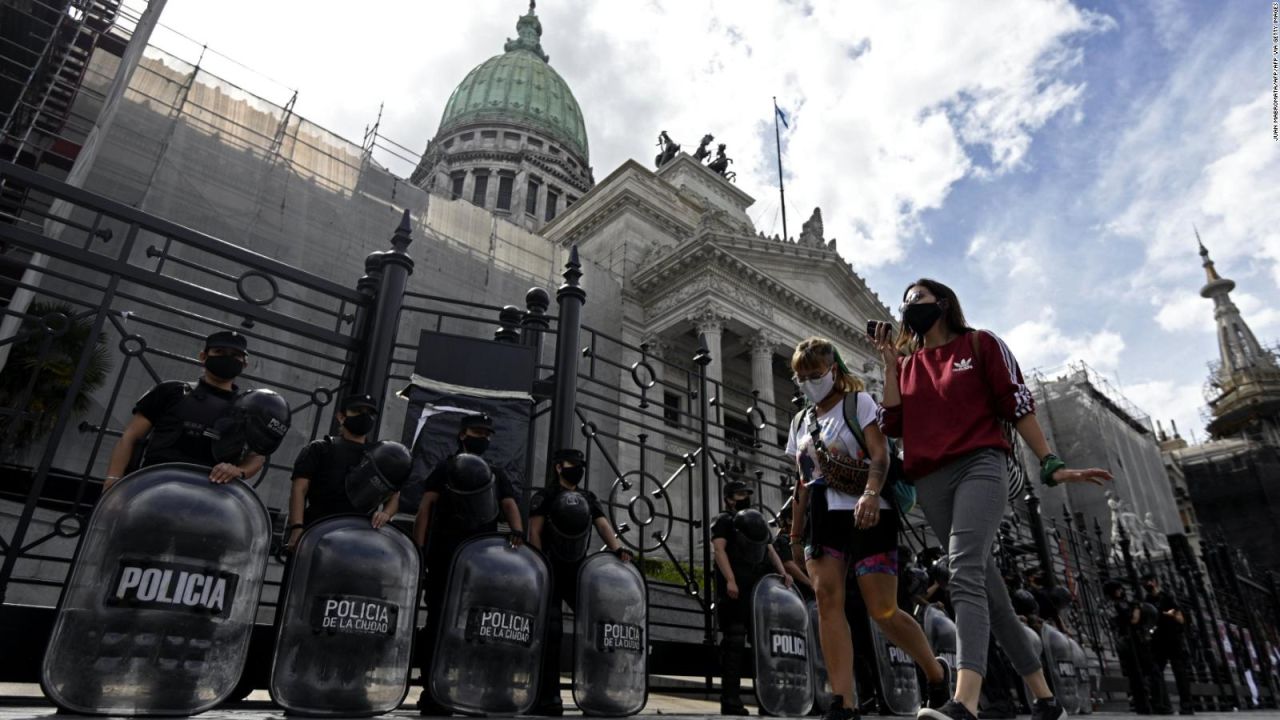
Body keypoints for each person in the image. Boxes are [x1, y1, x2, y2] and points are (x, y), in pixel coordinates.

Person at [872, 279, 1113, 720]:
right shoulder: (907, 365)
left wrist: (1050, 462)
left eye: (918, 298)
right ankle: (1044, 697)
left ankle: (964, 701)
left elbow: (1016, 402)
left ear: (943, 303)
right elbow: (892, 425)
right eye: (905, 300)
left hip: (980, 465)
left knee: (961, 573)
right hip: (930, 479)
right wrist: (890, 364)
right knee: (989, 592)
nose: (909, 306)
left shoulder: (979, 344)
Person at [787, 337, 949, 720]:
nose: (809, 382)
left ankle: (936, 672)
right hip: (824, 517)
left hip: (870, 511)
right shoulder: (800, 421)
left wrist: (872, 494)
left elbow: (881, 455)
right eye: (801, 377)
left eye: (815, 374)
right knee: (827, 602)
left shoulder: (858, 403)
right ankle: (845, 700)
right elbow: (801, 482)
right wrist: (795, 534)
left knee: (883, 609)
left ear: (834, 370)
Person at [411, 413, 525, 716]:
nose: (483, 437)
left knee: (476, 626)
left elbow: (510, 504)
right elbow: (426, 508)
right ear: (463, 434)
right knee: (437, 622)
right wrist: (419, 550)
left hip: (481, 564)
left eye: (487, 433)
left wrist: (517, 532)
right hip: (444, 557)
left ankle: (470, 689)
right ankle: (433, 690)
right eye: (477, 431)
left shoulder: (495, 472)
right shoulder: (446, 468)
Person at [528, 448, 633, 716]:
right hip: (551, 567)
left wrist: (618, 548)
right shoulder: (546, 496)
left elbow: (602, 524)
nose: (578, 468)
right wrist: (541, 565)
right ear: (558, 467)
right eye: (572, 463)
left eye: (580, 464)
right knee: (551, 631)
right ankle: (547, 697)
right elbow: (535, 532)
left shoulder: (587, 497)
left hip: (578, 570)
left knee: (598, 625)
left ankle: (597, 692)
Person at [104, 331, 263, 491]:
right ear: (203, 356)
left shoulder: (248, 410)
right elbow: (130, 437)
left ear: (244, 364)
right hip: (154, 486)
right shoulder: (169, 391)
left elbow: (257, 455)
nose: (227, 358)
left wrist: (239, 471)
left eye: (235, 355)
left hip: (212, 496)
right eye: (219, 352)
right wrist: (113, 480)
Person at [713, 479, 791, 716]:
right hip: (735, 590)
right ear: (728, 498)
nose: (744, 497)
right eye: (738, 494)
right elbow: (719, 549)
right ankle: (730, 700)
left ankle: (767, 700)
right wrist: (730, 579)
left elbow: (769, 548)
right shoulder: (724, 520)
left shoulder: (754, 520)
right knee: (734, 644)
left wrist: (782, 572)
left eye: (746, 493)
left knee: (762, 646)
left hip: (757, 590)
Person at [285, 393, 398, 551]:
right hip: (317, 530)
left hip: (358, 538)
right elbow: (299, 489)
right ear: (340, 416)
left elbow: (394, 494)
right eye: (357, 411)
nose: (364, 417)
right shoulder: (319, 449)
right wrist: (297, 528)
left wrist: (386, 513)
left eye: (370, 413)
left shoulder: (378, 456)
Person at [1105, 579, 1162, 714]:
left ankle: (1145, 704)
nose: (1121, 591)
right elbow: (1133, 620)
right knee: (1144, 673)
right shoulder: (1117, 605)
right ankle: (1149, 704)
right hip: (1132, 642)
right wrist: (1136, 608)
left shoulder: (1114, 604)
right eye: (1118, 589)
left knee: (1138, 674)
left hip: (1130, 642)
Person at [1143, 573, 1194, 715]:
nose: (1146, 585)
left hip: (1173, 639)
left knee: (1180, 672)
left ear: (1154, 582)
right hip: (1158, 642)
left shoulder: (1167, 597)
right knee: (1156, 672)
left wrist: (1170, 614)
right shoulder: (1146, 600)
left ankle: (1187, 706)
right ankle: (1162, 705)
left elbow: (1180, 618)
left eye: (1147, 582)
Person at [774, 496, 814, 597]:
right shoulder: (782, 540)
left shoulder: (805, 540)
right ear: (789, 520)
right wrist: (810, 583)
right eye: (802, 517)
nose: (805, 521)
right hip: (796, 593)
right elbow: (788, 565)